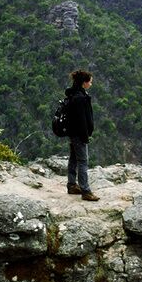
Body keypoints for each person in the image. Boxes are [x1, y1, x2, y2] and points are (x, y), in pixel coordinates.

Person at [50, 70, 97, 201]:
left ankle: (71, 185)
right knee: (83, 161)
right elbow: (82, 120)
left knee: (74, 158)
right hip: (78, 134)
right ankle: (86, 191)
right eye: (90, 82)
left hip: (72, 133)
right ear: (84, 83)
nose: (91, 84)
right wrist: (85, 136)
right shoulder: (80, 98)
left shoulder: (73, 95)